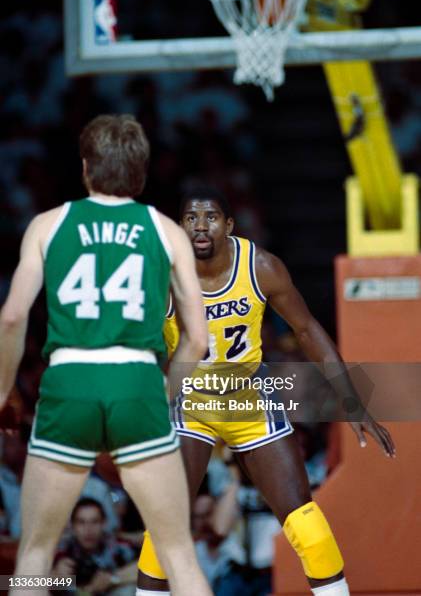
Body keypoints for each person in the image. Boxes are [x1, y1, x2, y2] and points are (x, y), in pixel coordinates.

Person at [137, 185, 396, 596]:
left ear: (229, 225)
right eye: (191, 218)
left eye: (210, 218)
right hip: (192, 402)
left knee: (305, 522)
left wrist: (351, 400)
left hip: (249, 400)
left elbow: (307, 329)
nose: (200, 227)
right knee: (165, 521)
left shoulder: (261, 267)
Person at [0, 115, 212, 596]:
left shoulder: (48, 225)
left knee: (34, 552)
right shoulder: (166, 231)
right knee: (178, 553)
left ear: (86, 168)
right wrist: (163, 390)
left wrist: (3, 391)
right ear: (141, 170)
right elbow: (197, 340)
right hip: (136, 380)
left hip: (69, 380)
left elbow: (12, 317)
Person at [53, 497, 138, 595]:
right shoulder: (62, 549)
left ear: (104, 524)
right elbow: (32, 582)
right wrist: (55, 578)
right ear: (72, 526)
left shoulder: (114, 546)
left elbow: (148, 565)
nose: (88, 530)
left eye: (95, 521)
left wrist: (112, 578)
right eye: (81, 522)